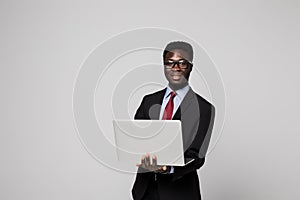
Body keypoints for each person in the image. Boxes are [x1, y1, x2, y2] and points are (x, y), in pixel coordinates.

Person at [131, 41, 215, 200]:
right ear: (164, 66)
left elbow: (197, 157)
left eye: (182, 63)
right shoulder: (148, 101)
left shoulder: (204, 108)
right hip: (144, 190)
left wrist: (167, 168)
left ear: (190, 67)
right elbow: (136, 138)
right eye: (170, 63)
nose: (175, 68)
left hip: (180, 192)